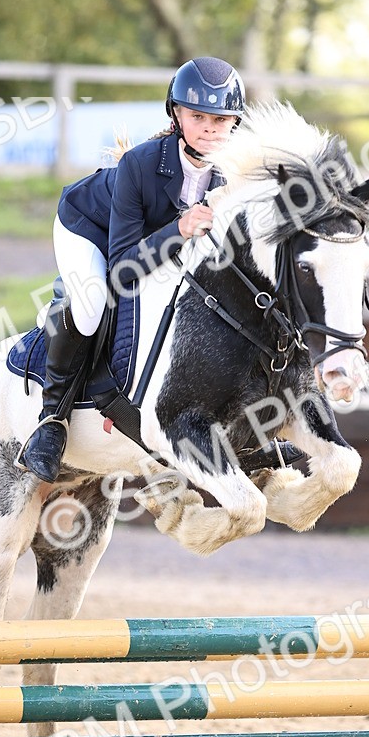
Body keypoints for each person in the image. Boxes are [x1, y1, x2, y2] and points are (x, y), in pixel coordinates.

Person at [18, 55, 245, 483]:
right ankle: (51, 422)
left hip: (148, 244)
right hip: (88, 228)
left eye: (221, 118)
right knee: (91, 305)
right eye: (198, 116)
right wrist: (181, 227)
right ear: (176, 114)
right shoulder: (140, 164)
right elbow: (123, 268)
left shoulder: (232, 175)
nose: (211, 128)